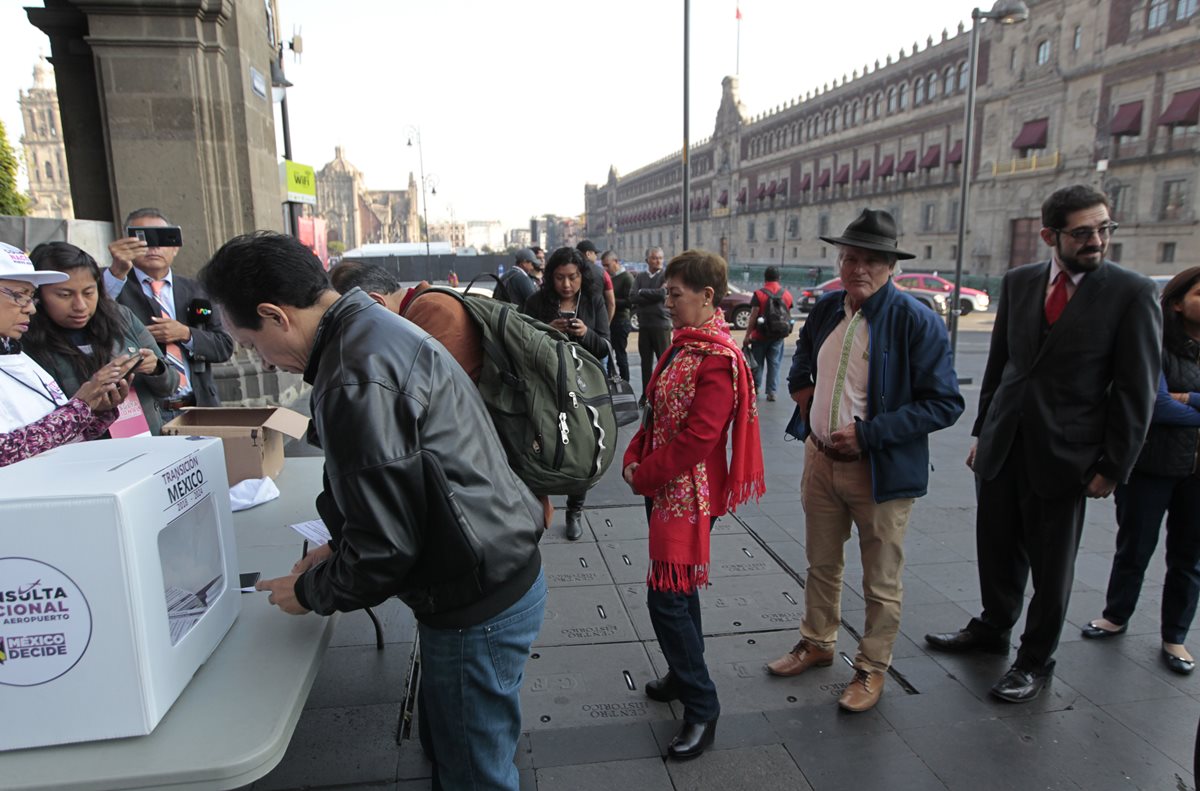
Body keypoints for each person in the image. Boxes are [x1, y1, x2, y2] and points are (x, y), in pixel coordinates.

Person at [199, 232, 545, 791]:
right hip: (495, 562)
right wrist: (342, 544)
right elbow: (410, 483)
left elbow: (386, 548)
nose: (261, 358)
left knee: (475, 772)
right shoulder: (372, 325)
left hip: (475, 597)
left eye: (251, 341)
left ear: (274, 315)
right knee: (469, 744)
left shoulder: (353, 375)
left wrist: (311, 592)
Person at [926, 185, 1161, 703]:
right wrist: (984, 432)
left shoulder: (1132, 292)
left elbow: (1136, 390)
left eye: (1103, 229)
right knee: (996, 546)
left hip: (1069, 454)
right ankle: (993, 627)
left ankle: (1034, 659)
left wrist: (1113, 466)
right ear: (1050, 235)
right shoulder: (1019, 281)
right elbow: (1002, 365)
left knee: (1052, 567)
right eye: (1082, 232)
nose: (1096, 240)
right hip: (1005, 442)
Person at [765, 210, 964, 712]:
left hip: (880, 471)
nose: (859, 268)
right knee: (821, 564)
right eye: (851, 257)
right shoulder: (831, 306)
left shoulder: (916, 320)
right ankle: (818, 641)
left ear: (891, 265)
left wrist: (871, 434)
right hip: (820, 461)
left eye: (872, 260)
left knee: (880, 580)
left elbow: (944, 402)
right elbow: (803, 354)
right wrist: (801, 388)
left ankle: (872, 668)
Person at [622, 248, 764, 760]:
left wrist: (645, 475)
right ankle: (685, 675)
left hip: (687, 494)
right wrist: (635, 456)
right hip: (663, 488)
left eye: (675, 294)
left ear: (707, 297)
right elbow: (654, 409)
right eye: (666, 294)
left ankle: (703, 705)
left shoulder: (717, 358)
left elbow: (699, 439)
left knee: (666, 598)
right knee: (681, 593)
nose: (668, 303)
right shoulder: (684, 345)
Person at [1082, 267, 1200, 676]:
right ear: (1177, 302)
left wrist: (1190, 398)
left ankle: (1175, 636)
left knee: (1189, 558)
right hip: (1151, 464)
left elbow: (1173, 405)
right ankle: (1115, 616)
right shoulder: (1155, 342)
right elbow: (1156, 405)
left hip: (1197, 473)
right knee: (1134, 546)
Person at [24, 242, 179, 436]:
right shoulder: (24, 343)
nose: (80, 305)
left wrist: (156, 369)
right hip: (85, 454)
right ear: (37, 294)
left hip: (145, 439)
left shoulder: (121, 318)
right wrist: (89, 400)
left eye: (89, 293)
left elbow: (171, 383)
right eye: (64, 295)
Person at [0, 242, 130, 467]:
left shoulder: (14, 352)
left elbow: (56, 442)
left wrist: (96, 411)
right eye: (20, 295)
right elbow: (5, 453)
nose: (30, 308)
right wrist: (80, 407)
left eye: (31, 296)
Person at [105, 208, 234, 422]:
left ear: (175, 247)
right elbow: (95, 315)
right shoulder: (115, 286)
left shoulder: (198, 290)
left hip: (198, 405)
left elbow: (224, 346)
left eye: (162, 238)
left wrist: (186, 334)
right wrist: (117, 271)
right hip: (146, 410)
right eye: (143, 238)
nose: (153, 246)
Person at [522, 247, 610, 540]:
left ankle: (576, 509)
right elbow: (520, 340)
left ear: (582, 276)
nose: (567, 285)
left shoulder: (593, 300)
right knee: (541, 444)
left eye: (573, 277)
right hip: (546, 384)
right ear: (550, 277)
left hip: (583, 389)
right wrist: (546, 329)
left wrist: (585, 333)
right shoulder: (536, 301)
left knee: (583, 449)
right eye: (559, 278)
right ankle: (540, 505)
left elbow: (604, 347)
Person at [329, 260, 482, 381]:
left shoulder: (431, 312)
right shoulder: (418, 311)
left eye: (352, 328)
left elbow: (415, 399)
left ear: (376, 303)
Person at [742, 265, 794, 402]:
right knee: (774, 363)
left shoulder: (759, 294)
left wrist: (748, 335)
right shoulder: (787, 294)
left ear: (765, 278)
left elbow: (753, 316)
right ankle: (772, 392)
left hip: (760, 335)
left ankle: (756, 388)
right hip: (778, 336)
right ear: (779, 278)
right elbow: (788, 314)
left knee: (757, 362)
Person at [632, 247, 671, 400]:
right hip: (645, 325)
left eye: (660, 258)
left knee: (664, 362)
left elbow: (662, 294)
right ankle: (646, 395)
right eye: (654, 258)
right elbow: (632, 296)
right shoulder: (640, 276)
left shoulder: (666, 275)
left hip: (661, 324)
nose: (658, 261)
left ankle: (663, 395)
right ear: (647, 259)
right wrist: (650, 294)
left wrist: (642, 292)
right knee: (645, 363)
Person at [605, 250, 634, 382]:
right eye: (604, 265)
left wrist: (611, 300)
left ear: (615, 262)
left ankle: (625, 383)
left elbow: (630, 301)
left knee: (620, 355)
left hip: (621, 321)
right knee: (610, 355)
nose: (606, 268)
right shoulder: (610, 277)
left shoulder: (627, 278)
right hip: (611, 320)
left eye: (607, 265)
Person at [577, 240, 616, 322]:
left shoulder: (571, 271)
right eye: (595, 253)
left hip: (576, 318)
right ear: (588, 254)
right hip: (598, 318)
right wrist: (607, 323)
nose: (596, 257)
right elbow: (611, 302)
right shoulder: (603, 273)